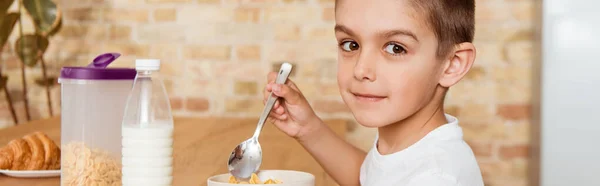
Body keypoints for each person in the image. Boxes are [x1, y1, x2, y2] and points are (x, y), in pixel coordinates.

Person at [263, 0, 484, 185]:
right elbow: (369, 178)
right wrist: (307, 128)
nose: (361, 70)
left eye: (395, 48)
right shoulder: (412, 148)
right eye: (351, 45)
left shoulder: (436, 178)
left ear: (452, 64)